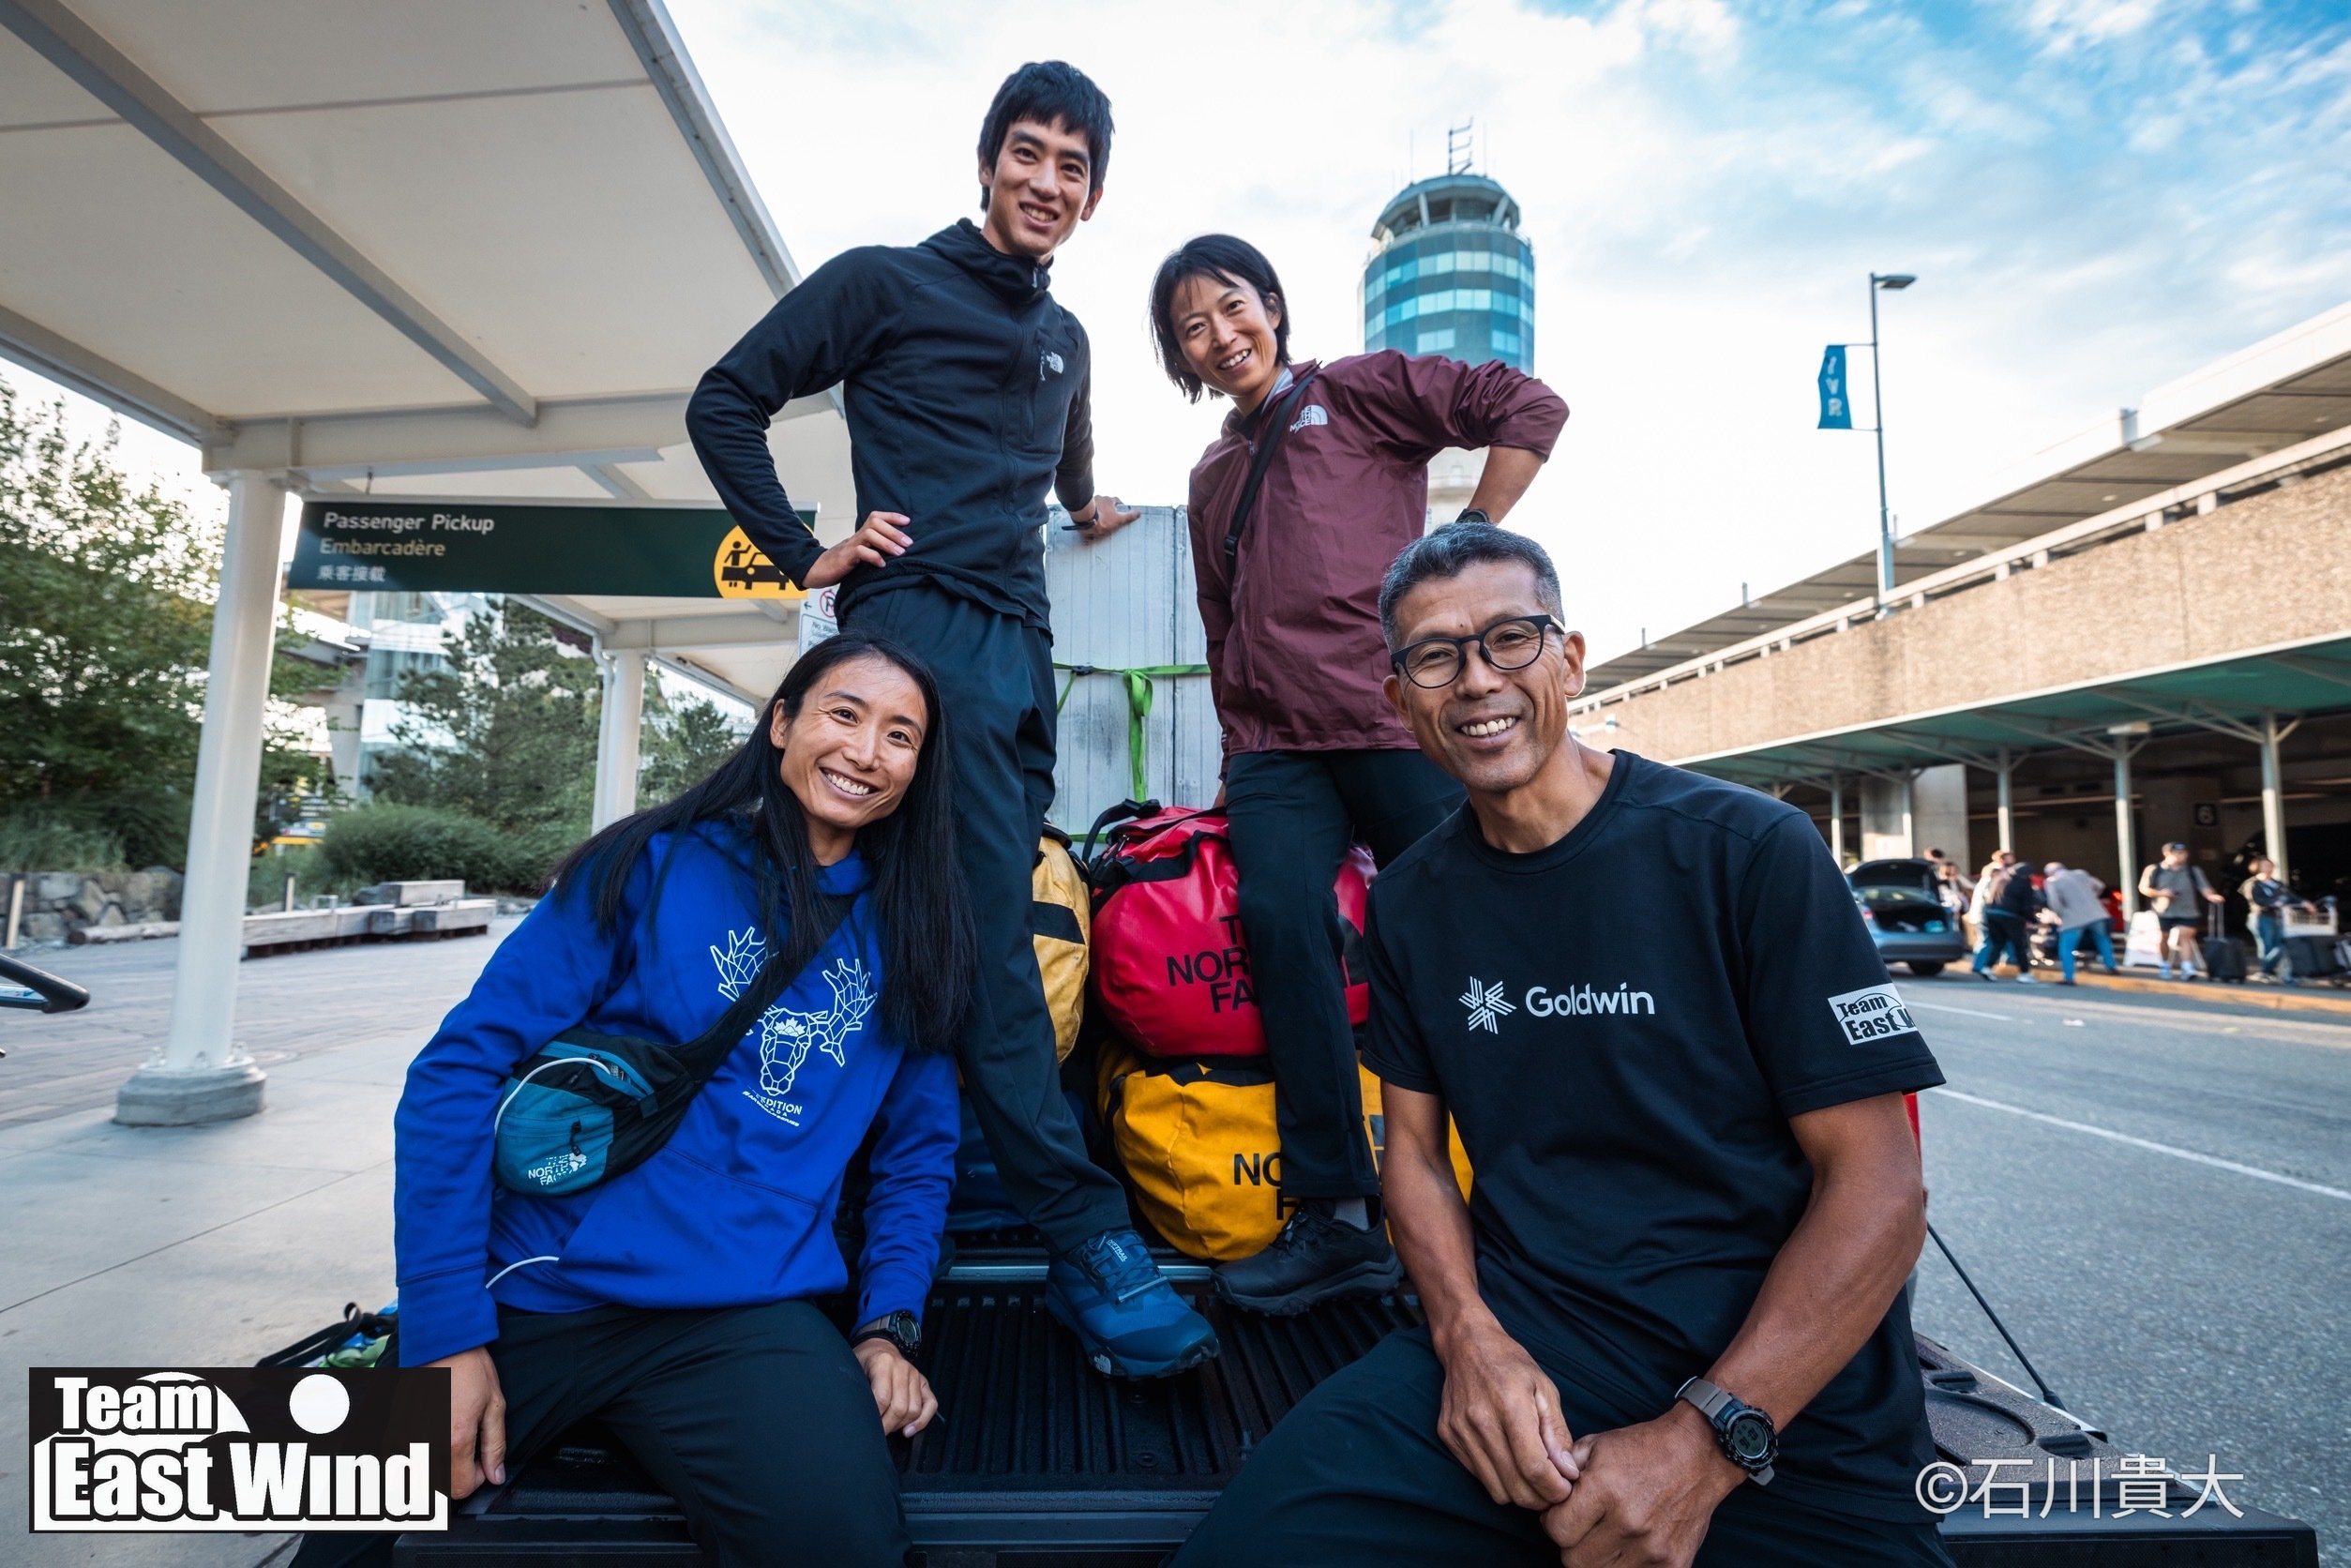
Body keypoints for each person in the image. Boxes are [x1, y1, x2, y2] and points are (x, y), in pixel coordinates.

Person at [1176, 524, 1951, 1568]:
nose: (1475, 680)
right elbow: (1413, 1156)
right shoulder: (1410, 900)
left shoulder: (1745, 849)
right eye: (1434, 657)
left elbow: (1881, 1186)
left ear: (1570, 659)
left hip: (1778, 1374)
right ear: (1399, 699)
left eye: (1509, 639)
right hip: (1536, 1340)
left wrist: (1705, 1441)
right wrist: (1467, 1340)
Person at [686, 62, 1217, 1378]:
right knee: (927, 935)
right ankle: (1082, 1241)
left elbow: (1064, 454)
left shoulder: (1068, 337)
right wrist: (801, 549)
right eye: (1026, 152)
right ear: (986, 164)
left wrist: (1088, 508)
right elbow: (725, 398)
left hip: (1016, 659)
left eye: (1072, 167)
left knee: (951, 938)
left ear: (1092, 198)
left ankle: (896, 1239)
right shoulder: (883, 282)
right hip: (910, 632)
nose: (1045, 181)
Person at [296, 636, 972, 1568]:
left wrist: (886, 1325)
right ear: (781, 723)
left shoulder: (914, 932)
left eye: (900, 735)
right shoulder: (648, 865)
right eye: (843, 714)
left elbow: (916, 1158)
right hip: (534, 1288)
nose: (865, 751)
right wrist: (444, 1333)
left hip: (743, 1314)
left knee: (847, 1548)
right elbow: (454, 1074)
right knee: (336, 1526)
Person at [1148, 234, 1567, 1313]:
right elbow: (1220, 621)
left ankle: (1526, 1201)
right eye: (1191, 328)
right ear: (1182, 359)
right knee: (1280, 925)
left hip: (1393, 720)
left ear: (1272, 306)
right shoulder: (1210, 475)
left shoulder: (1359, 390)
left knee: (1471, 933)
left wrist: (1467, 540)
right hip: (1276, 750)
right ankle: (1333, 1215)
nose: (1219, 336)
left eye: (1231, 307)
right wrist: (1237, 748)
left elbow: (1527, 406)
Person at [2138, 842, 2223, 981]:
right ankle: (2165, 964)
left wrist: (2211, 896)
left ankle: (2186, 967)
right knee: (2164, 938)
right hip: (2163, 911)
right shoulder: (2154, 869)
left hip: (2187, 910)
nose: (2182, 856)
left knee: (2186, 935)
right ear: (2167, 854)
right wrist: (2161, 893)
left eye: (2184, 853)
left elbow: (2204, 886)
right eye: (2178, 853)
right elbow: (2143, 888)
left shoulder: (2192, 870)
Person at [2040, 861, 2117, 985]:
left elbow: (2054, 903)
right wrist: (2093, 897)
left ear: (2049, 873)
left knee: (2066, 947)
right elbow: (2100, 885)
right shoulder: (2081, 874)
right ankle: (2111, 966)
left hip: (2072, 917)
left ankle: (2069, 977)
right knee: (2102, 940)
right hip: (2096, 913)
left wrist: (2059, 915)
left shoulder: (2052, 882)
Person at [2240, 857, 2310, 983]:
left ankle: (2266, 971)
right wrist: (2273, 902)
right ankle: (2266, 972)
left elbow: (2291, 896)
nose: (2269, 868)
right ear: (2257, 867)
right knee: (2267, 945)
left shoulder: (2277, 884)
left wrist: (2304, 902)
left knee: (2281, 945)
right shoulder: (2252, 883)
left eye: (2270, 865)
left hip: (2277, 918)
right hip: (2261, 917)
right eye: (2265, 865)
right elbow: (2255, 900)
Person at [1969, 850, 2035, 982]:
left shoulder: (2000, 879)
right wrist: (2031, 919)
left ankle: (1987, 967)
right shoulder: (2023, 883)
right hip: (2011, 916)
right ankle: (2024, 973)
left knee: (1998, 943)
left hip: (1992, 914)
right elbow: (2026, 905)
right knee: (2019, 945)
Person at [1923, 848, 1971, 918]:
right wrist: (1946, 880)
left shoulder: (1932, 869)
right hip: (1937, 896)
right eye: (1937, 857)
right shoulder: (1927, 870)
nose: (1938, 860)